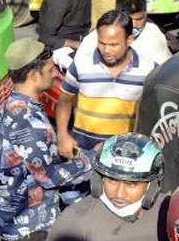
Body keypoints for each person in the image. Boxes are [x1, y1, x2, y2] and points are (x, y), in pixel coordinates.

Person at [0, 38, 94, 241]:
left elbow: (34, 157)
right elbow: (45, 177)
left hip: (15, 216)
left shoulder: (13, 104)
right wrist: (90, 161)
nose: (54, 73)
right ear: (34, 75)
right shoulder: (29, 122)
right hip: (29, 224)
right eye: (50, 69)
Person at [39, 133, 167, 241]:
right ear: (99, 179)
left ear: (151, 185)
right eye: (112, 180)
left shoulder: (167, 211)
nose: (119, 194)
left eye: (131, 184)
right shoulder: (75, 220)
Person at [57, 10, 157, 156]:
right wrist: (62, 134)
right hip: (82, 152)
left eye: (113, 45)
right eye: (101, 43)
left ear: (129, 40)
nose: (106, 50)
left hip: (124, 155)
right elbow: (64, 101)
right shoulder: (81, 63)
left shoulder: (148, 70)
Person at [76, 0, 172, 65]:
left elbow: (165, 69)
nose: (134, 25)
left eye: (139, 19)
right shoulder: (95, 39)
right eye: (129, 19)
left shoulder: (154, 34)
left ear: (146, 15)